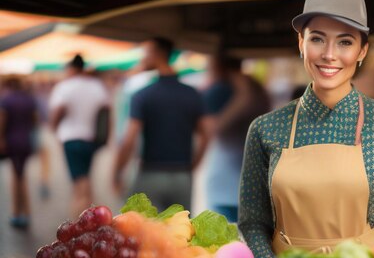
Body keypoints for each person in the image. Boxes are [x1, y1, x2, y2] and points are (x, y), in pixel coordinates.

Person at [239, 0, 374, 258]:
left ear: (362, 51)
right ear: (301, 43)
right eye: (317, 39)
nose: (329, 54)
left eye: (345, 42)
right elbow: (253, 224)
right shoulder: (265, 128)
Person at [113, 37, 209, 211]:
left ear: (157, 54)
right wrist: (193, 164)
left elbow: (129, 139)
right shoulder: (193, 94)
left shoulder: (142, 95)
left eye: (146, 53)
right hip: (182, 176)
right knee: (180, 232)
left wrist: (117, 172)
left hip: (151, 173)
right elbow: (206, 134)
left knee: (145, 231)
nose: (143, 58)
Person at [202, 54, 271, 223]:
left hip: (228, 181)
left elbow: (214, 128)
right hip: (245, 181)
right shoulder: (256, 89)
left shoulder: (235, 92)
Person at [49, 55, 110, 218]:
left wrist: (54, 128)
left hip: (71, 140)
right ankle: (93, 216)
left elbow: (58, 110)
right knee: (85, 179)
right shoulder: (97, 85)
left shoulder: (65, 86)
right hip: (91, 140)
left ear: (71, 68)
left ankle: (80, 223)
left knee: (79, 184)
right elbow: (107, 111)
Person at [0, 76, 38, 228]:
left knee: (17, 177)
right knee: (21, 175)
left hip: (13, 141)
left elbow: (2, 120)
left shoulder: (6, 100)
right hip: (26, 141)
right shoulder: (29, 99)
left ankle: (18, 213)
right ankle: (25, 212)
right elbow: (35, 120)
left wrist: (1, 138)